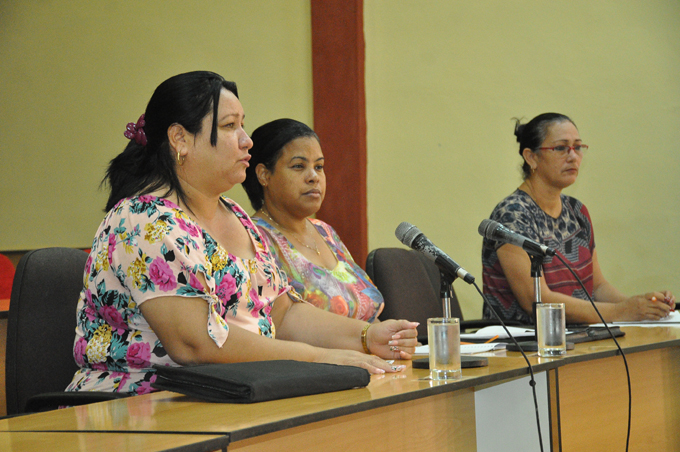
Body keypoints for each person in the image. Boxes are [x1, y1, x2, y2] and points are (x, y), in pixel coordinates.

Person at [66, 72, 417, 395]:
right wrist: (319, 359)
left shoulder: (234, 215)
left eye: (242, 125)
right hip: (141, 412)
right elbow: (195, 345)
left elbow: (282, 314)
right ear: (180, 139)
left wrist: (366, 336)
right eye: (230, 126)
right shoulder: (143, 220)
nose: (247, 141)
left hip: (240, 393)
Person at [481, 112, 675, 325]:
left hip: (579, 338)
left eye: (578, 147)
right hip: (523, 345)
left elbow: (597, 287)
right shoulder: (513, 215)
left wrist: (643, 306)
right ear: (531, 157)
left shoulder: (576, 211)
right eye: (561, 148)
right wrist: (622, 312)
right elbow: (535, 300)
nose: (573, 156)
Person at [241, 119, 383, 323]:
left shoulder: (325, 232)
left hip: (368, 351)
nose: (313, 177)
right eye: (298, 166)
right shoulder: (253, 238)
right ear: (264, 175)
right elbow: (278, 326)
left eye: (319, 166)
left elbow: (367, 314)